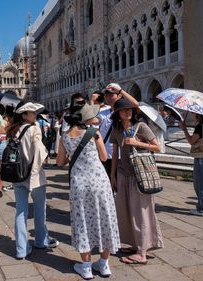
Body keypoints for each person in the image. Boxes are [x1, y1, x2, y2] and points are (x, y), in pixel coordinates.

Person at [57, 103, 120, 279]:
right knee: (105, 218)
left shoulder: (64, 136)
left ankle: (85, 266)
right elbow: (104, 157)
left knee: (83, 220)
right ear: (84, 118)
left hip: (79, 184)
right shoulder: (94, 133)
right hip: (99, 182)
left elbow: (60, 162)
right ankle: (104, 264)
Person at [109, 98, 163, 265]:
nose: (129, 112)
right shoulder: (116, 129)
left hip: (140, 175)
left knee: (141, 213)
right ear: (118, 113)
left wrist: (137, 142)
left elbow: (157, 147)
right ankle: (135, 244)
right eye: (125, 110)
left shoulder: (141, 127)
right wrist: (113, 176)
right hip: (123, 175)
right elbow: (115, 154)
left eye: (130, 109)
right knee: (125, 211)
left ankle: (142, 252)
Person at [8, 101, 59, 260]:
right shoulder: (34, 128)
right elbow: (39, 149)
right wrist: (41, 161)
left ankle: (21, 249)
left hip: (18, 175)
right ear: (24, 115)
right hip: (34, 176)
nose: (35, 114)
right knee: (39, 210)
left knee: (20, 212)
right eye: (31, 112)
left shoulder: (14, 130)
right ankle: (40, 240)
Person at [95, 83, 139, 179]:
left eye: (111, 94)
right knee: (109, 181)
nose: (108, 97)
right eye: (106, 95)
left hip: (123, 153)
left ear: (119, 96)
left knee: (122, 183)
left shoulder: (127, 111)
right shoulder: (103, 112)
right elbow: (94, 121)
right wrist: (92, 102)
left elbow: (136, 104)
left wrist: (120, 90)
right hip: (107, 153)